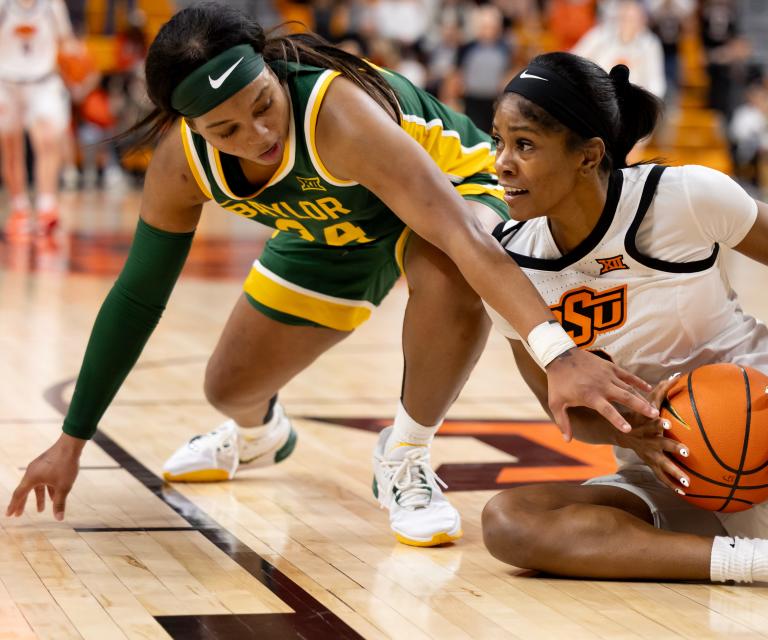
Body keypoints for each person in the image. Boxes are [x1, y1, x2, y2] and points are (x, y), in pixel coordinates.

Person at [4, 4, 660, 547]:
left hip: (448, 192)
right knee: (227, 388)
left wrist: (559, 352)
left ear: (270, 71)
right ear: (191, 128)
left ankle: (404, 456)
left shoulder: (335, 114)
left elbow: (460, 234)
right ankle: (260, 436)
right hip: (334, 225)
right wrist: (72, 439)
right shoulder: (181, 166)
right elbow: (138, 296)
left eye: (263, 103)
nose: (258, 133)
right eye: (225, 128)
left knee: (453, 267)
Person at [479, 52, 768, 597]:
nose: (502, 162)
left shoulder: (679, 196)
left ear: (588, 156)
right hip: (678, 467)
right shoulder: (511, 270)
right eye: (498, 141)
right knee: (509, 521)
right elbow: (566, 409)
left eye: (524, 144)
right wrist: (633, 437)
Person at [0, 0, 75, 238]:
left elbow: (66, 41)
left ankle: (46, 206)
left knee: (47, 141)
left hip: (44, 81)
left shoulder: (53, 5)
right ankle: (19, 208)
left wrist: (75, 55)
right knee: (11, 146)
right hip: (6, 82)